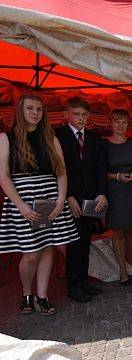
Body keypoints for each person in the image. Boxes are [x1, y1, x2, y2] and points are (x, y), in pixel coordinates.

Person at [0, 94, 79, 315]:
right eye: (30, 109)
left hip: (48, 198)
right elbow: (3, 176)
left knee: (46, 247)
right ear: (20, 111)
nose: (35, 113)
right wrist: (21, 206)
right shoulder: (6, 139)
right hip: (22, 199)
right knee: (30, 253)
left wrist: (61, 199)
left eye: (39, 110)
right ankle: (26, 292)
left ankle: (41, 296)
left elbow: (61, 172)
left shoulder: (50, 139)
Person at [56, 96, 108, 303]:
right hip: (70, 199)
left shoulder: (95, 138)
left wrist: (102, 193)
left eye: (84, 114)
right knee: (73, 243)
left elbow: (100, 168)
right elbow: (57, 169)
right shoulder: (57, 136)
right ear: (66, 114)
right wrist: (67, 196)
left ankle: (84, 282)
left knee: (87, 240)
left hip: (91, 199)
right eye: (76, 114)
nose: (81, 118)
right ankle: (74, 286)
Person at [105, 109, 132, 286]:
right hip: (115, 190)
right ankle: (122, 271)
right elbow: (100, 172)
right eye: (117, 121)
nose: (121, 125)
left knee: (131, 229)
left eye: (124, 122)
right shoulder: (103, 145)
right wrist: (117, 177)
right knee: (119, 230)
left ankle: (128, 261)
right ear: (110, 124)